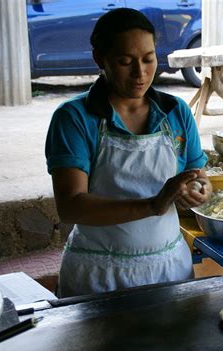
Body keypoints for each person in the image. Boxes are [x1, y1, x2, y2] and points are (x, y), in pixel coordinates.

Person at [45, 8, 211, 297]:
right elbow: (71, 206)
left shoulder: (176, 112)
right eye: (125, 61)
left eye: (149, 59)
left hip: (168, 266)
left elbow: (201, 177)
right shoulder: (74, 117)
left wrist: (197, 191)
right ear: (100, 59)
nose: (141, 73)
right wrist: (152, 205)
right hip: (99, 275)